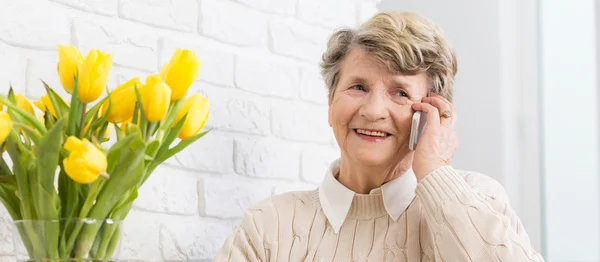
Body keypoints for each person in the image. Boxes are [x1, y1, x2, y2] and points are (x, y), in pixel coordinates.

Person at [214, 11, 545, 261]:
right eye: (358, 86)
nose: (373, 110)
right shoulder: (268, 225)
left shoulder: (476, 198)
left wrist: (435, 172)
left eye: (400, 93)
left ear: (433, 112)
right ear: (332, 103)